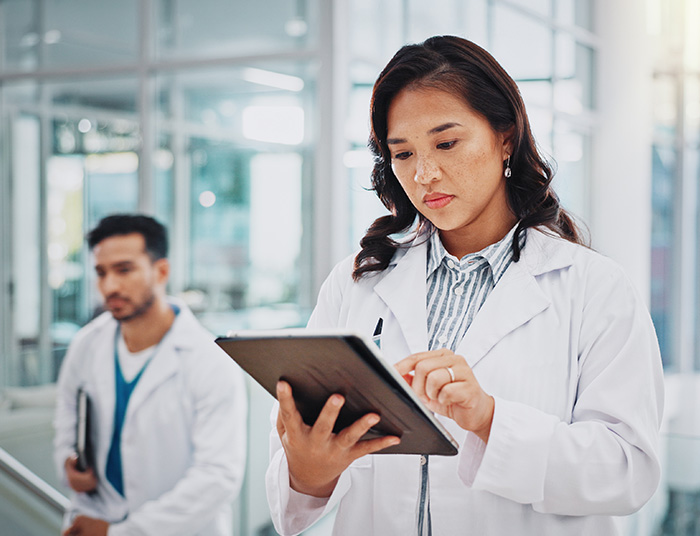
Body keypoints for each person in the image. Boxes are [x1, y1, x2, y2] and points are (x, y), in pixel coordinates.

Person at [266, 35, 664, 535]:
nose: (425, 174)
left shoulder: (594, 288)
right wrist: (309, 472)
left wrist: (488, 418)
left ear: (505, 137)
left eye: (446, 143)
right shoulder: (356, 283)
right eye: (403, 153)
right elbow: (291, 502)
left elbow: (628, 472)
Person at [53, 214, 247, 536]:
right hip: (91, 516)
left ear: (161, 271)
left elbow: (216, 477)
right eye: (101, 273)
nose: (110, 286)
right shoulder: (86, 345)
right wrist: (68, 464)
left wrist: (117, 533)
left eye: (124, 270)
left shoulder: (209, 360)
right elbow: (66, 420)